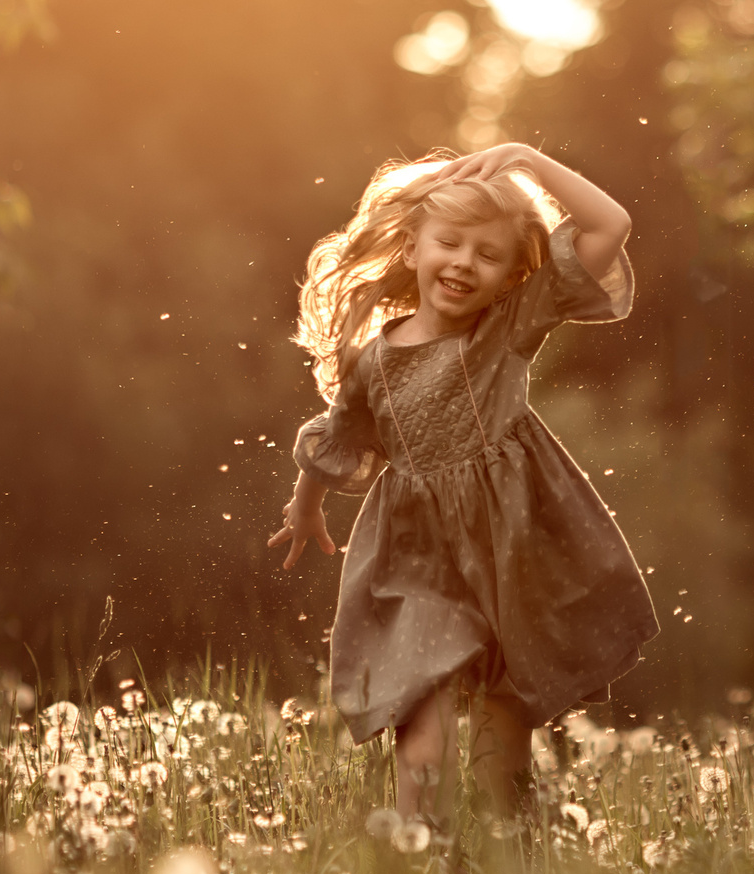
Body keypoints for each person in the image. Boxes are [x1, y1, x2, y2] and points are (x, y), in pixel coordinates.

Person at [269, 143, 659, 826]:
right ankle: (421, 866)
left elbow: (611, 226)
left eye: (487, 254)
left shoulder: (508, 327)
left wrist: (527, 160)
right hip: (417, 561)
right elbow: (338, 438)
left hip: (511, 552)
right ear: (414, 245)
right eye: (449, 242)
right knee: (420, 731)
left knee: (500, 758)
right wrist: (305, 508)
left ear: (514, 273)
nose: (463, 263)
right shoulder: (374, 359)